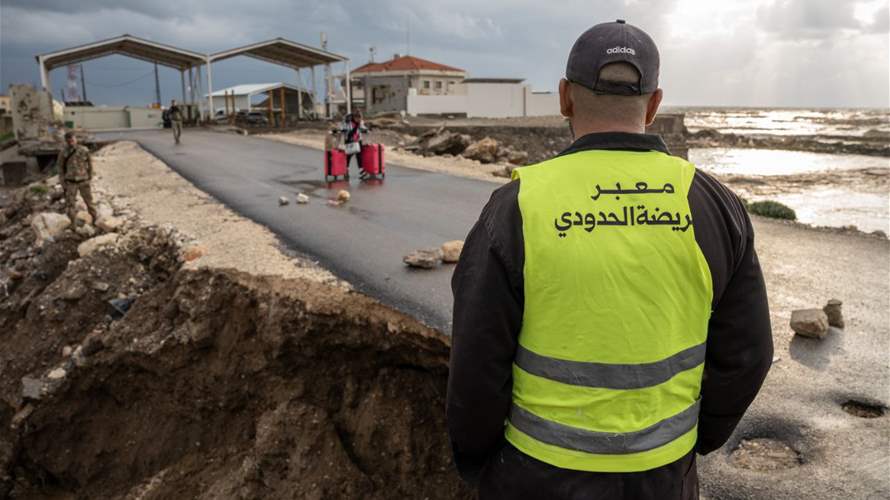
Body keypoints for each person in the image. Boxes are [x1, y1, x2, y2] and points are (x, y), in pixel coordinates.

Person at [447, 20, 773, 500]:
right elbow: (748, 355)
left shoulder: (517, 206)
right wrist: (694, 441)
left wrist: (480, 464)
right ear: (655, 104)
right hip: (664, 476)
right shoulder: (713, 204)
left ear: (564, 97)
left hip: (536, 476)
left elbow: (476, 364)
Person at [57, 132, 98, 226]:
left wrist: (90, 177)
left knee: (89, 202)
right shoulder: (63, 153)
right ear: (66, 141)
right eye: (68, 141)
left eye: (72, 140)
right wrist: (63, 182)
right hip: (71, 182)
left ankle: (95, 221)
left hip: (83, 180)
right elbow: (60, 168)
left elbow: (90, 165)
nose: (71, 142)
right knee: (71, 204)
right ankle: (73, 224)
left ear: (76, 139)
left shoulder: (84, 150)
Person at [338, 110, 368, 176]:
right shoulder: (348, 122)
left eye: (361, 118)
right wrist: (343, 130)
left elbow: (362, 127)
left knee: (359, 155)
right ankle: (346, 169)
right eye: (358, 118)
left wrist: (366, 130)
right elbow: (342, 128)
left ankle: (361, 170)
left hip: (358, 140)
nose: (360, 120)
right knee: (349, 155)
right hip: (349, 140)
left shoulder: (360, 122)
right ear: (354, 117)